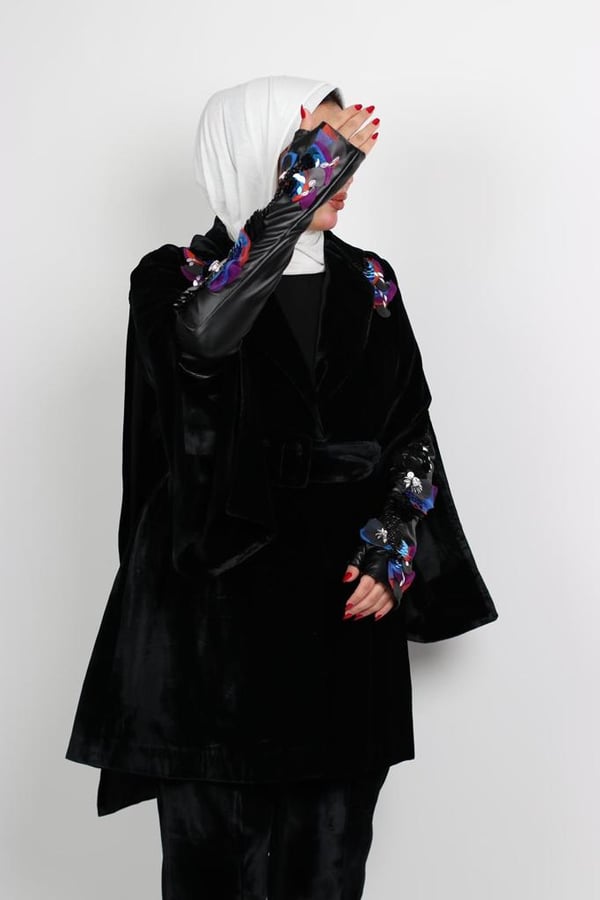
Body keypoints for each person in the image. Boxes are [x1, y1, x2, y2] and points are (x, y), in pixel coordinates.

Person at [65, 75, 498, 899]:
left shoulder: (371, 279)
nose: (341, 171)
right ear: (260, 158)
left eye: (342, 154)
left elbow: (410, 430)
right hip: (214, 633)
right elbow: (202, 345)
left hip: (343, 622)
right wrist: (298, 197)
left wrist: (395, 546)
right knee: (213, 876)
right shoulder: (173, 278)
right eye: (315, 151)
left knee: (329, 871)